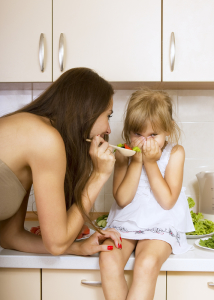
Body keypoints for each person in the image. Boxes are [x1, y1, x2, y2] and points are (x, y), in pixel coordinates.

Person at [0, 67, 122, 256]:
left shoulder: (33, 133)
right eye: (108, 115)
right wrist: (99, 175)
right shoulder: (45, 139)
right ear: (88, 109)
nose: (108, 129)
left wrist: (76, 247)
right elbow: (56, 244)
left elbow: (10, 236)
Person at [99, 88, 195, 300]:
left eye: (153, 135)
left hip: (161, 221)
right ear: (128, 131)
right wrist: (136, 160)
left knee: (146, 263)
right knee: (107, 257)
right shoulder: (124, 153)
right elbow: (123, 199)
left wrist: (150, 162)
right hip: (127, 220)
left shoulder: (175, 153)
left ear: (168, 130)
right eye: (138, 134)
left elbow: (167, 201)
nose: (144, 142)